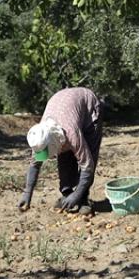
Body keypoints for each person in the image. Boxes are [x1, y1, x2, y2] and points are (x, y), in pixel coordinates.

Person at [18, 87, 103, 215]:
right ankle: (67, 193)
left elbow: (88, 166)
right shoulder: (41, 136)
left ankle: (83, 199)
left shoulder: (71, 133)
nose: (45, 155)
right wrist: (27, 193)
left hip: (88, 109)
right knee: (64, 155)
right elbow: (35, 165)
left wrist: (78, 195)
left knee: (88, 152)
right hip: (62, 105)